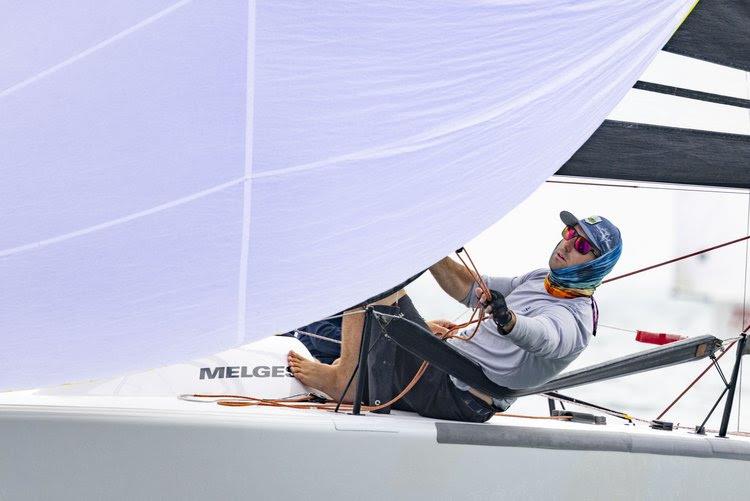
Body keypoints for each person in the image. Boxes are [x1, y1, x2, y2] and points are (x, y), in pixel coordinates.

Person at [288, 211, 622, 422]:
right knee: (322, 325)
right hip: (446, 366)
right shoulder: (541, 280)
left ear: (597, 265)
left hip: (453, 395)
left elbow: (544, 335)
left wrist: (509, 321)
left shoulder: (575, 321)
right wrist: (431, 248)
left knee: (375, 282)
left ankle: (342, 381)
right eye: (569, 234)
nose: (567, 244)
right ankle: (343, 363)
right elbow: (470, 288)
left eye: (581, 245)